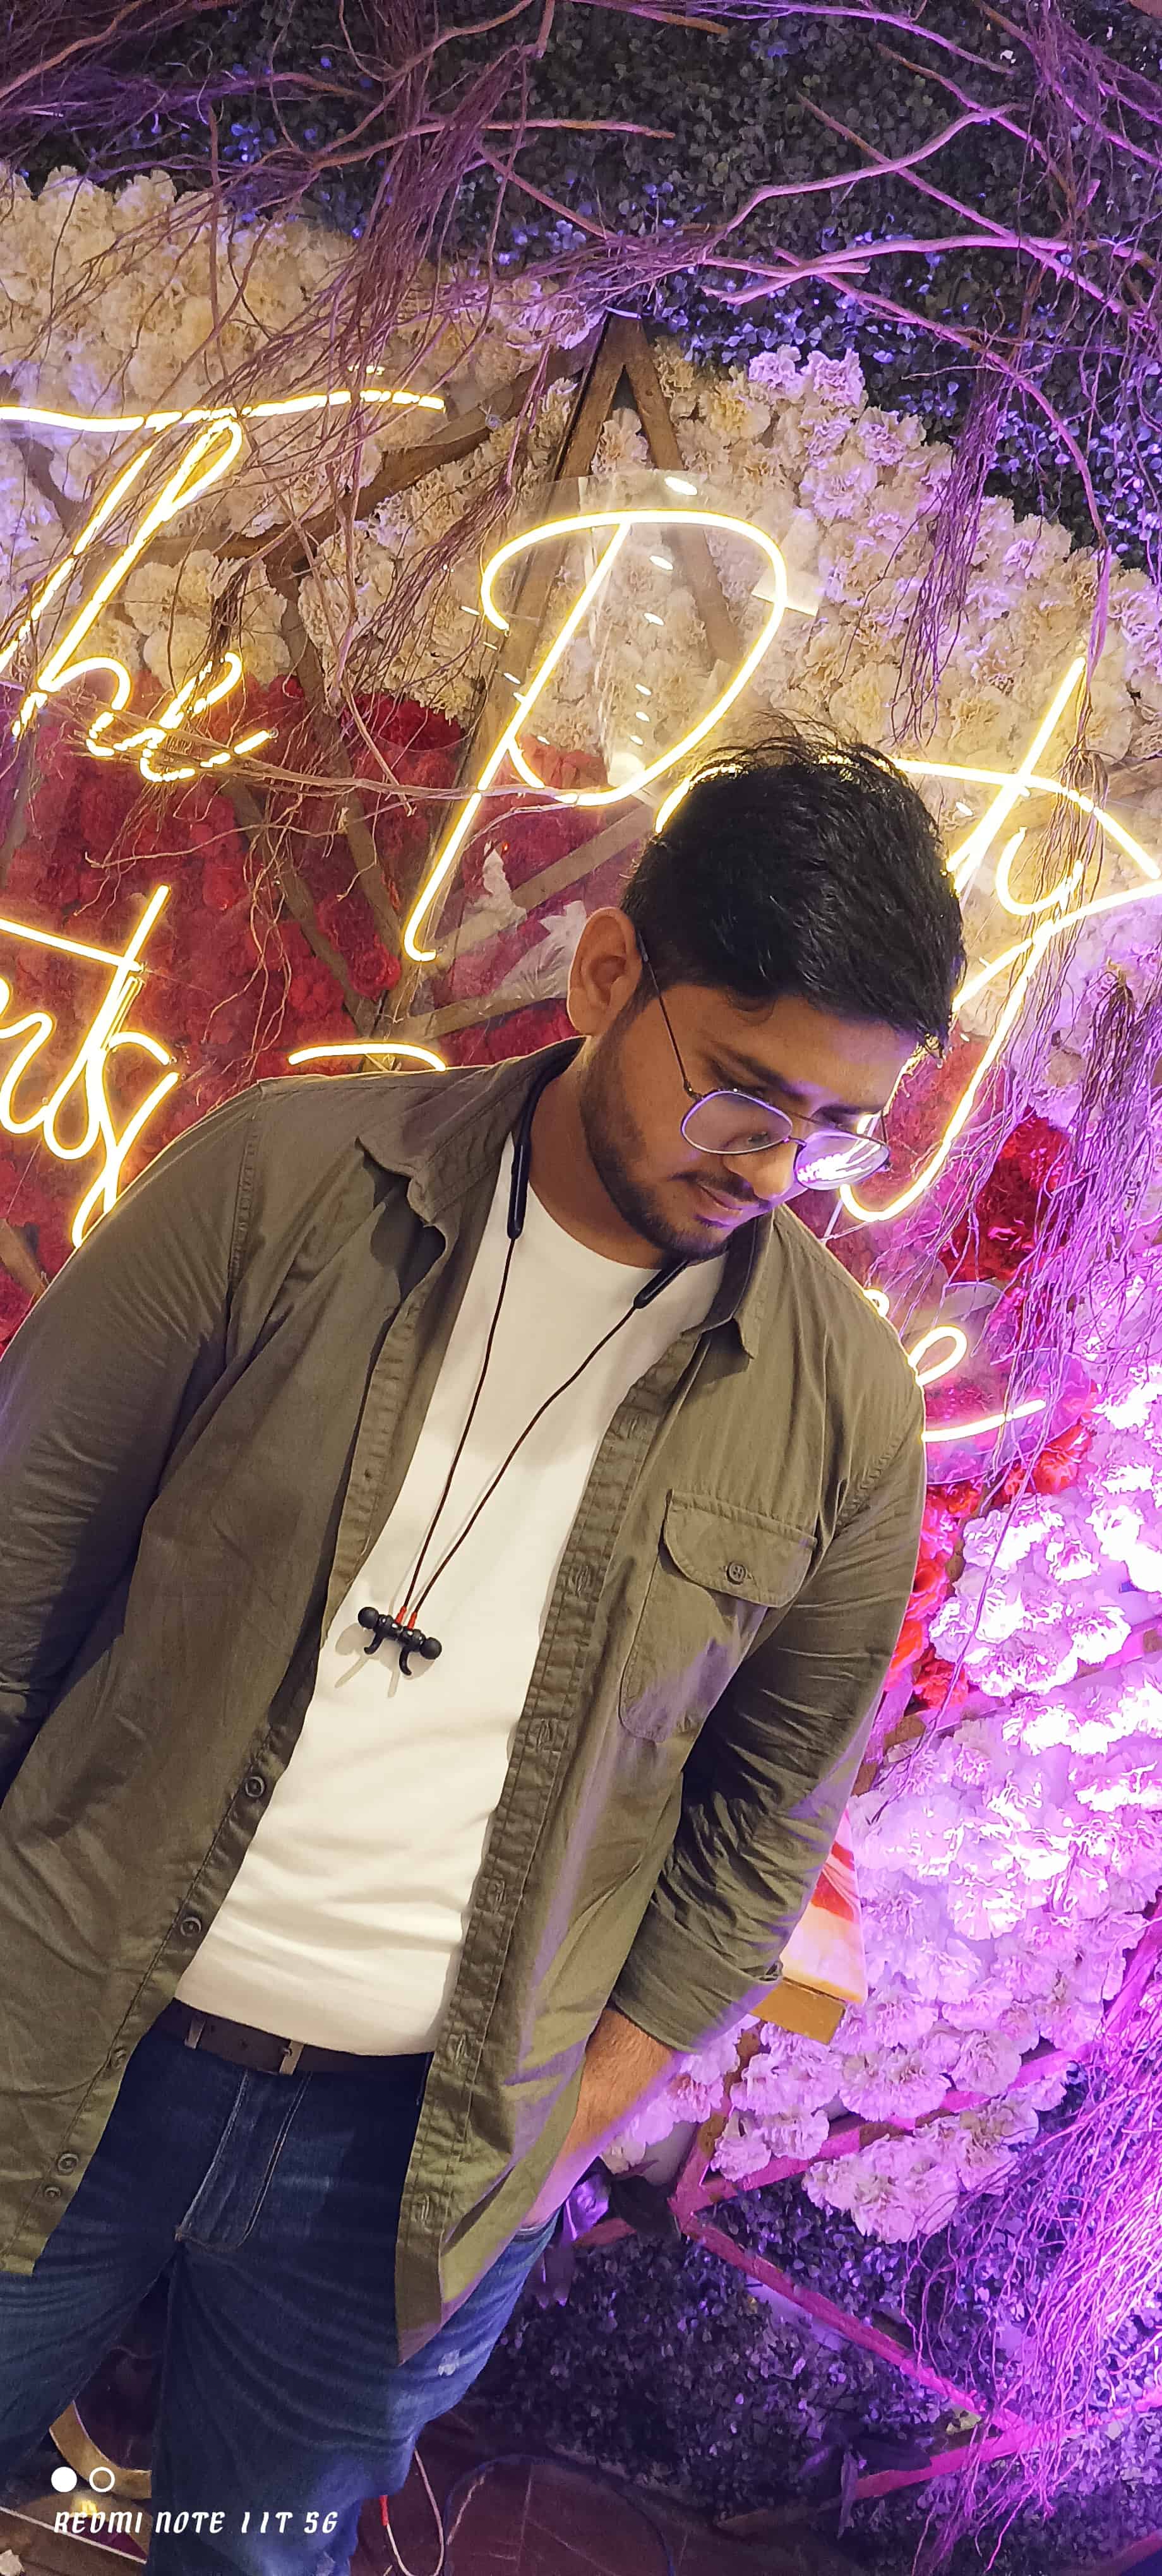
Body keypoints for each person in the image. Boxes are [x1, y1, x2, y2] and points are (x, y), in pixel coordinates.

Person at [0, 725, 964, 2573]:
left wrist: (569, 2128)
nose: (780, 1167)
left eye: (843, 1131)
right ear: (607, 974)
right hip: (61, 2036)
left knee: (249, 2552)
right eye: (743, 1095)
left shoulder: (843, 1411)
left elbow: (760, 1832)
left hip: (406, 2175)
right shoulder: (284, 1187)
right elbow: (20, 1565)